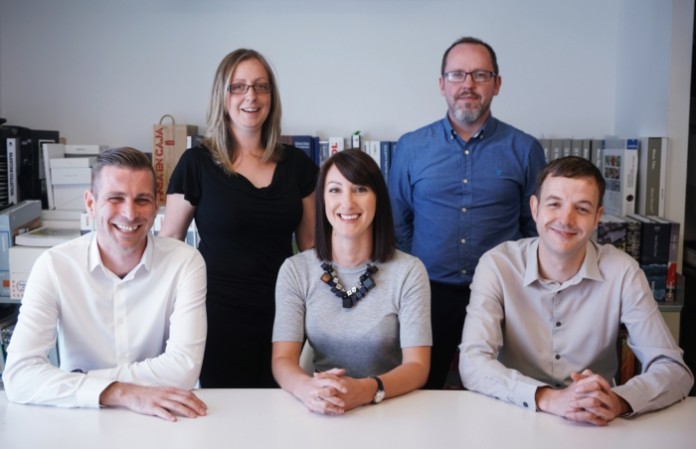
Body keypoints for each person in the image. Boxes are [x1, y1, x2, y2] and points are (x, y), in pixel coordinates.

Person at [459, 156, 694, 425]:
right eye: (554, 204)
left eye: (581, 208)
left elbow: (674, 370)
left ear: (597, 218)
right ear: (535, 208)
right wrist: (548, 398)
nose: (566, 219)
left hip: (593, 421)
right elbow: (472, 362)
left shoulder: (623, 271)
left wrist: (617, 401)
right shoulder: (498, 265)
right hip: (514, 414)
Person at [3, 147, 208, 422]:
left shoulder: (185, 262)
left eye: (142, 200)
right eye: (115, 198)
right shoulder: (53, 266)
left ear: (156, 205)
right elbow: (19, 376)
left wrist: (79, 381)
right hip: (80, 419)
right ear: (91, 203)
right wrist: (118, 392)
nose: (130, 214)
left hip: (161, 418)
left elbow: (183, 369)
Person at [388, 36, 547, 389]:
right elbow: (399, 224)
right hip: (427, 296)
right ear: (442, 84)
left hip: (502, 296)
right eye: (457, 74)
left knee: (502, 392)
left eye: (480, 75)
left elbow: (535, 228)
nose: (468, 84)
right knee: (422, 391)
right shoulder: (411, 147)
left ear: (497, 84)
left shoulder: (524, 149)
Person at [159, 49, 318, 388]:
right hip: (216, 315)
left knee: (284, 408)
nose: (251, 96)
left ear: (271, 96)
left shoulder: (298, 166)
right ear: (222, 95)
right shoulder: (196, 163)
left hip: (285, 314)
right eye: (239, 87)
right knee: (225, 411)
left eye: (261, 86)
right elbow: (170, 243)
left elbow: (311, 248)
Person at [272, 149, 431, 415]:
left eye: (360, 189)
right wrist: (306, 389)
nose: (347, 202)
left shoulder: (409, 271)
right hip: (323, 406)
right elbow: (282, 359)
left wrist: (366, 390)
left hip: (390, 406)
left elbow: (418, 367)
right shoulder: (296, 270)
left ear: (378, 198)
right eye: (335, 190)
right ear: (322, 200)